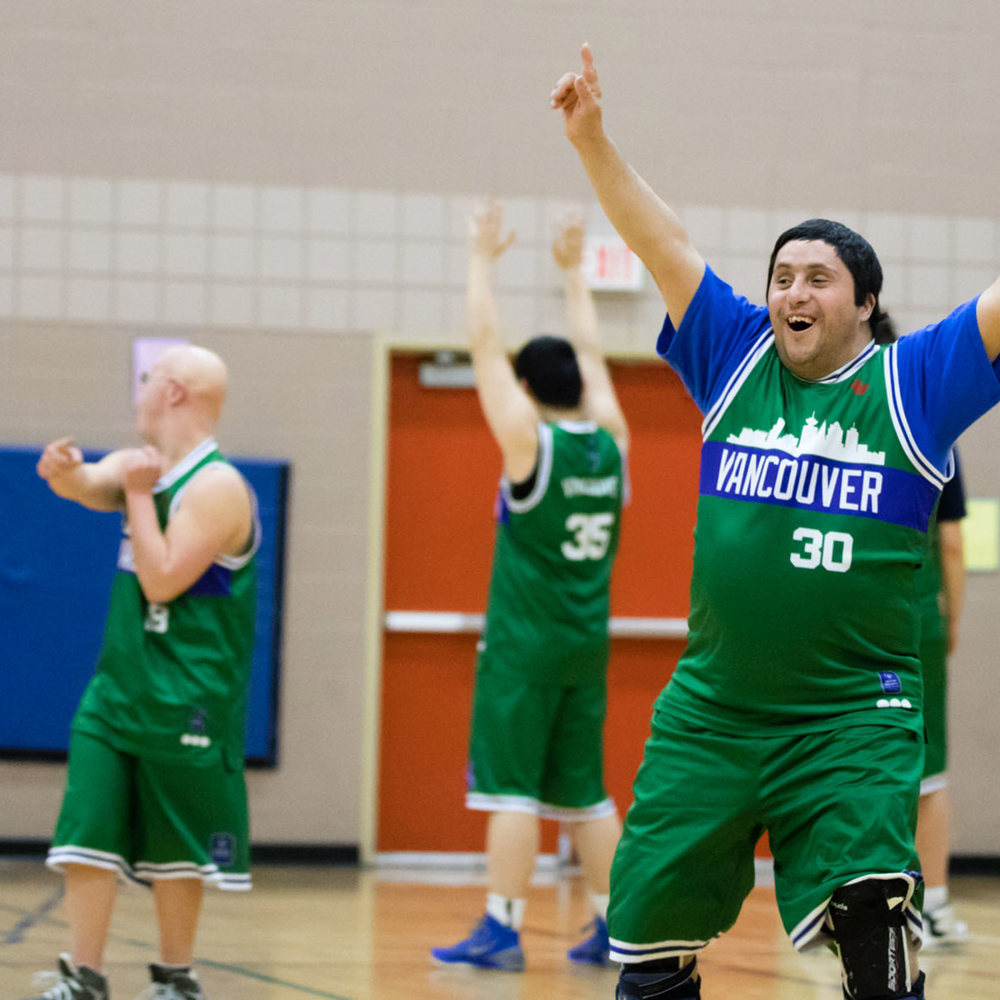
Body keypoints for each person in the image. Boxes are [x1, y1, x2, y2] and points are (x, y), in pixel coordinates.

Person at [550, 43, 1000, 1000]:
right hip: (713, 709)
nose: (793, 291)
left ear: (865, 302)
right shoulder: (734, 357)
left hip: (850, 715)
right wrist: (593, 141)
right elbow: (661, 241)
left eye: (818, 277)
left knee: (873, 926)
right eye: (782, 275)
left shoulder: (912, 380)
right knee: (647, 949)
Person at [430, 199, 629, 971]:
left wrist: (482, 257)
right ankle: (618, 928)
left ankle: (503, 929)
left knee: (509, 792)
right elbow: (598, 361)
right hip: (585, 649)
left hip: (521, 647)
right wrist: (574, 274)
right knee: (586, 795)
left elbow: (483, 346)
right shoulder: (613, 441)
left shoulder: (528, 443)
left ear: (524, 386)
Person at [28, 345, 260, 1000]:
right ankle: (84, 977)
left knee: (176, 851)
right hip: (118, 689)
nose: (139, 389)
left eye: (148, 378)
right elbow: (92, 484)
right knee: (86, 835)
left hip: (187, 697)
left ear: (176, 392)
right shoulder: (144, 469)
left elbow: (160, 581)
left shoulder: (217, 487)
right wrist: (62, 472)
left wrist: (133, 493)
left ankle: (175, 979)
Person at [915, 448, 968, 946]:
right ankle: (931, 907)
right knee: (928, 772)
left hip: (847, 615)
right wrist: (951, 617)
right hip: (915, 617)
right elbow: (950, 542)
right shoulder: (937, 426)